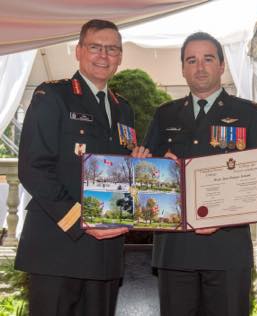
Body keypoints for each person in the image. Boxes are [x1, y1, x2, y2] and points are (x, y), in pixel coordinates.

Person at [15, 19, 148, 316]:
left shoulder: (123, 108)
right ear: (78, 51)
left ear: (120, 56)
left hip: (105, 254)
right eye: (95, 47)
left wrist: (138, 167)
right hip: (59, 246)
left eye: (112, 49)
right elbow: (33, 168)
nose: (104, 55)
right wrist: (81, 220)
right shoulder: (52, 96)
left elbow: (115, 172)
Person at [144, 32, 257, 316]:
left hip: (226, 249)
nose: (200, 67)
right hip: (174, 251)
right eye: (192, 60)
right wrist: (155, 169)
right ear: (183, 69)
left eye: (208, 59)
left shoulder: (248, 115)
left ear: (222, 65)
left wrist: (223, 218)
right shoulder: (164, 115)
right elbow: (146, 183)